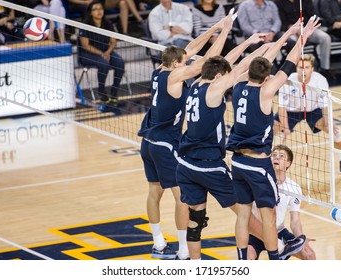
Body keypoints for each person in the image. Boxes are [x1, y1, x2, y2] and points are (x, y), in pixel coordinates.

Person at [137, 11, 236, 260]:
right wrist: (224, 32)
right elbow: (209, 61)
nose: (187, 62)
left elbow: (191, 48)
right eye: (184, 62)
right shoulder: (176, 74)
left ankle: (158, 243)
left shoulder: (160, 70)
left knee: (154, 191)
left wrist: (215, 26)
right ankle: (183, 250)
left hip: (147, 141)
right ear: (176, 65)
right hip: (165, 143)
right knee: (183, 197)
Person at [226, 16, 320, 260]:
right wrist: (302, 36)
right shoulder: (267, 90)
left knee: (244, 215)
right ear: (267, 77)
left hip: (236, 162)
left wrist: (287, 32)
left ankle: (241, 257)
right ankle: (275, 255)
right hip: (258, 163)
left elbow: (262, 62)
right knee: (268, 216)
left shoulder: (237, 84)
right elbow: (289, 62)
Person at [176, 33, 269, 260]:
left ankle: (195, 266)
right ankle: (279, 245)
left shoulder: (196, 83)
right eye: (224, 77)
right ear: (218, 77)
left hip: (185, 164)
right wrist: (266, 47)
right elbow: (243, 66)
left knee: (196, 220)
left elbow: (223, 59)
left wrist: (248, 41)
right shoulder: (214, 90)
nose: (228, 79)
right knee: (244, 213)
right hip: (209, 166)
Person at [273, 54, 341, 178]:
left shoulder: (320, 80)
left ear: (312, 69)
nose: (303, 71)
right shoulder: (288, 80)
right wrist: (285, 128)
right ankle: (265, 165)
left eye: (306, 67)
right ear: (296, 68)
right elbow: (281, 107)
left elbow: (325, 106)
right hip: (291, 112)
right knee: (267, 131)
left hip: (312, 110)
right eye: (300, 68)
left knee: (336, 132)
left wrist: (328, 123)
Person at [247, 144, 316, 260]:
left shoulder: (294, 188)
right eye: (274, 155)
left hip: (279, 231)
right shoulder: (259, 182)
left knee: (309, 255)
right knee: (247, 259)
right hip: (257, 232)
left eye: (281, 156)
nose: (276, 158)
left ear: (288, 163)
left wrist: (301, 239)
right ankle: (279, 246)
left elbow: (295, 221)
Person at [274, 0, 334, 80]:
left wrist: (307, 30)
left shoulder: (305, 1)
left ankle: (325, 69)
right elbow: (283, 22)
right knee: (293, 43)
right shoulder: (278, 2)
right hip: (291, 31)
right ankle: (297, 70)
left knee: (325, 38)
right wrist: (296, 29)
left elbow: (311, 15)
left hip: (308, 28)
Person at [78, 1, 125, 103]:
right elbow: (85, 45)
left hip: (106, 52)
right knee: (104, 64)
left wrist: (107, 52)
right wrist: (101, 54)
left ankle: (114, 92)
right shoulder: (85, 25)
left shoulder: (108, 24)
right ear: (90, 12)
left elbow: (113, 42)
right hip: (87, 54)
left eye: (100, 9)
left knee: (120, 62)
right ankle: (102, 91)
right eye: (95, 9)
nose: (99, 11)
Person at [237, 0, 291, 66]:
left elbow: (277, 22)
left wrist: (272, 32)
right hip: (255, 36)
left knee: (290, 42)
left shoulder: (271, 5)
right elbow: (245, 26)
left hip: (272, 34)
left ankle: (287, 65)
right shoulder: (244, 6)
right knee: (255, 46)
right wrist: (260, 35)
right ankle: (267, 68)